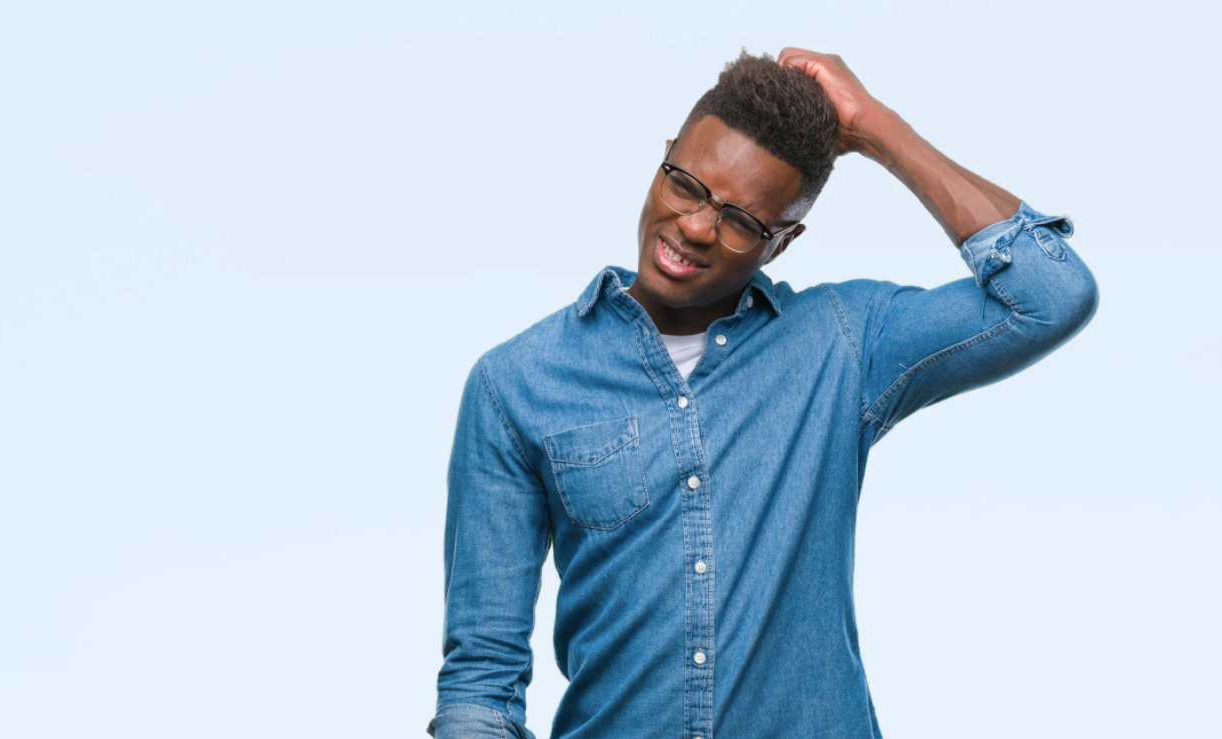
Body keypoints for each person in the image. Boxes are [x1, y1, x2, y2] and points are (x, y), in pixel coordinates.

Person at [426, 47, 1099, 739]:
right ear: (663, 159)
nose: (695, 227)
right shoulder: (516, 383)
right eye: (686, 185)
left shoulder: (844, 344)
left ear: (782, 242)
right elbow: (481, 680)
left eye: (742, 221)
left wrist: (876, 128)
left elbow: (1051, 295)